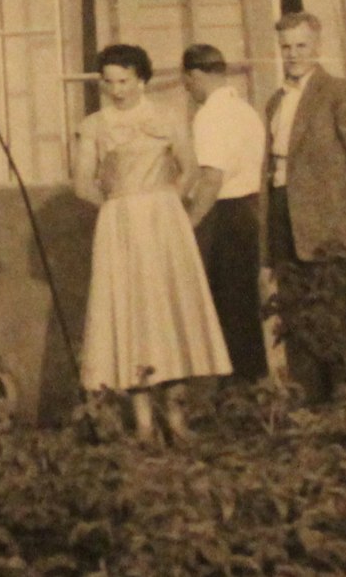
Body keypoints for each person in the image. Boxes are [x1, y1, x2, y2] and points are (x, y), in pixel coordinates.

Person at [75, 43, 232, 443]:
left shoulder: (167, 117)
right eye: (109, 82)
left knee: (167, 313)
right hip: (121, 228)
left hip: (164, 226)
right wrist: (118, 207)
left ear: (141, 80)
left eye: (124, 81)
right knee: (131, 316)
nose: (117, 89)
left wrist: (167, 203)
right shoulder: (94, 125)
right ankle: (143, 423)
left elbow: (190, 168)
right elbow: (81, 183)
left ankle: (176, 418)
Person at [263, 12, 346, 405]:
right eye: (286, 47)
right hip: (285, 219)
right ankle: (309, 411)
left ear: (316, 47)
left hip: (329, 226)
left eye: (301, 46)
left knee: (337, 324)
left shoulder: (338, 93)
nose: (293, 55)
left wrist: (345, 212)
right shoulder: (275, 102)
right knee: (297, 321)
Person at [179, 43, 270, 382]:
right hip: (250, 209)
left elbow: (211, 179)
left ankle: (239, 389)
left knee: (228, 306)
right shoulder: (245, 109)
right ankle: (252, 385)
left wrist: (189, 224)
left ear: (197, 75)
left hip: (226, 214)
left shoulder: (210, 116)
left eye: (187, 81)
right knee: (243, 304)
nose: (187, 90)